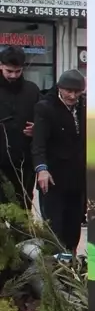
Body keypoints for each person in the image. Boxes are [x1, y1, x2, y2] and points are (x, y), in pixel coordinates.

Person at [32, 70, 87, 252]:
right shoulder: (45, 107)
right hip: (53, 177)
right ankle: (55, 264)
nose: (72, 96)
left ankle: (71, 261)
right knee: (54, 227)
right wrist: (41, 169)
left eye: (77, 92)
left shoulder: (85, 106)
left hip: (78, 178)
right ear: (59, 88)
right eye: (68, 91)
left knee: (74, 225)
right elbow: (38, 143)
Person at [0, 46, 40, 206]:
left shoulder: (32, 90)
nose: (13, 75)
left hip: (24, 162)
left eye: (18, 71)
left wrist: (37, 129)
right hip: (1, 160)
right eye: (9, 71)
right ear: (1, 65)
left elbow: (43, 119)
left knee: (23, 205)